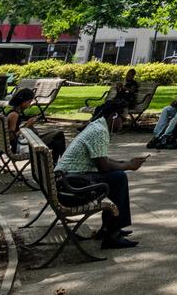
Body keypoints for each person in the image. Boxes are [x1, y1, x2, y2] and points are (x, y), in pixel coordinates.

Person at [55, 99, 144, 250]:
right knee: (118, 178)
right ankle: (112, 235)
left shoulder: (98, 126)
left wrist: (124, 163)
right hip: (70, 187)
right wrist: (128, 165)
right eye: (123, 119)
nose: (124, 123)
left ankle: (108, 228)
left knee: (116, 175)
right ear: (114, 116)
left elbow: (102, 160)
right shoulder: (99, 131)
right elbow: (103, 166)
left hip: (65, 181)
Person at [2, 87, 67, 154]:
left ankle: (58, 162)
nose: (29, 105)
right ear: (23, 100)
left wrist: (26, 124)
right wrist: (27, 126)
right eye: (29, 102)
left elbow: (14, 131)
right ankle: (61, 161)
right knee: (58, 138)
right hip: (21, 145)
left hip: (22, 142)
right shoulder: (14, 115)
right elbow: (12, 137)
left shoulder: (12, 111)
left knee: (58, 137)